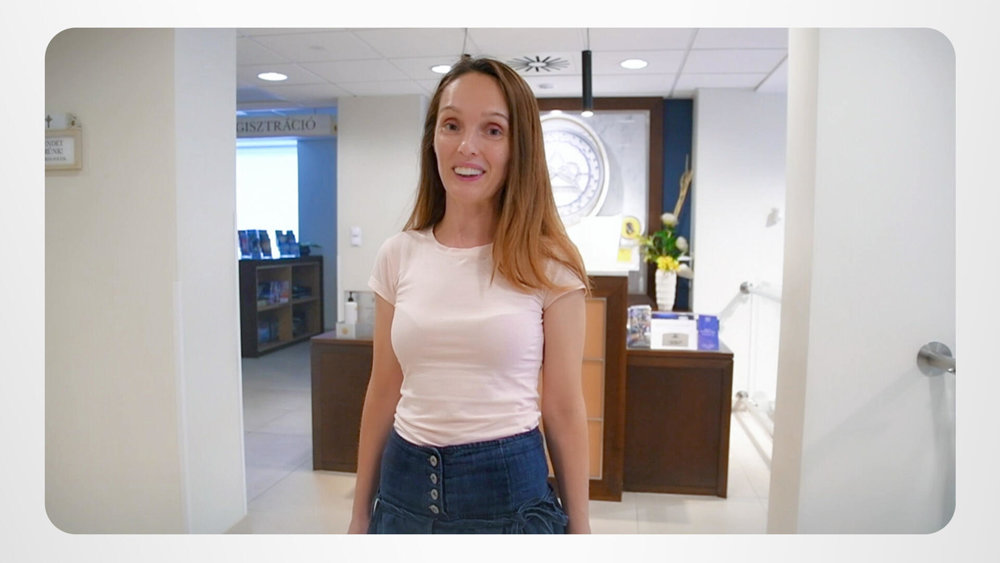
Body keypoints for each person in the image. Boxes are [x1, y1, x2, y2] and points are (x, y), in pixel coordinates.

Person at [347, 56, 592, 534]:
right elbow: (382, 390)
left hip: (509, 502)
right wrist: (359, 517)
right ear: (432, 139)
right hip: (401, 497)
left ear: (519, 147)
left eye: (493, 130)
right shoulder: (397, 255)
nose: (467, 146)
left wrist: (581, 531)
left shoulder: (549, 264)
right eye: (452, 125)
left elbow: (564, 407)